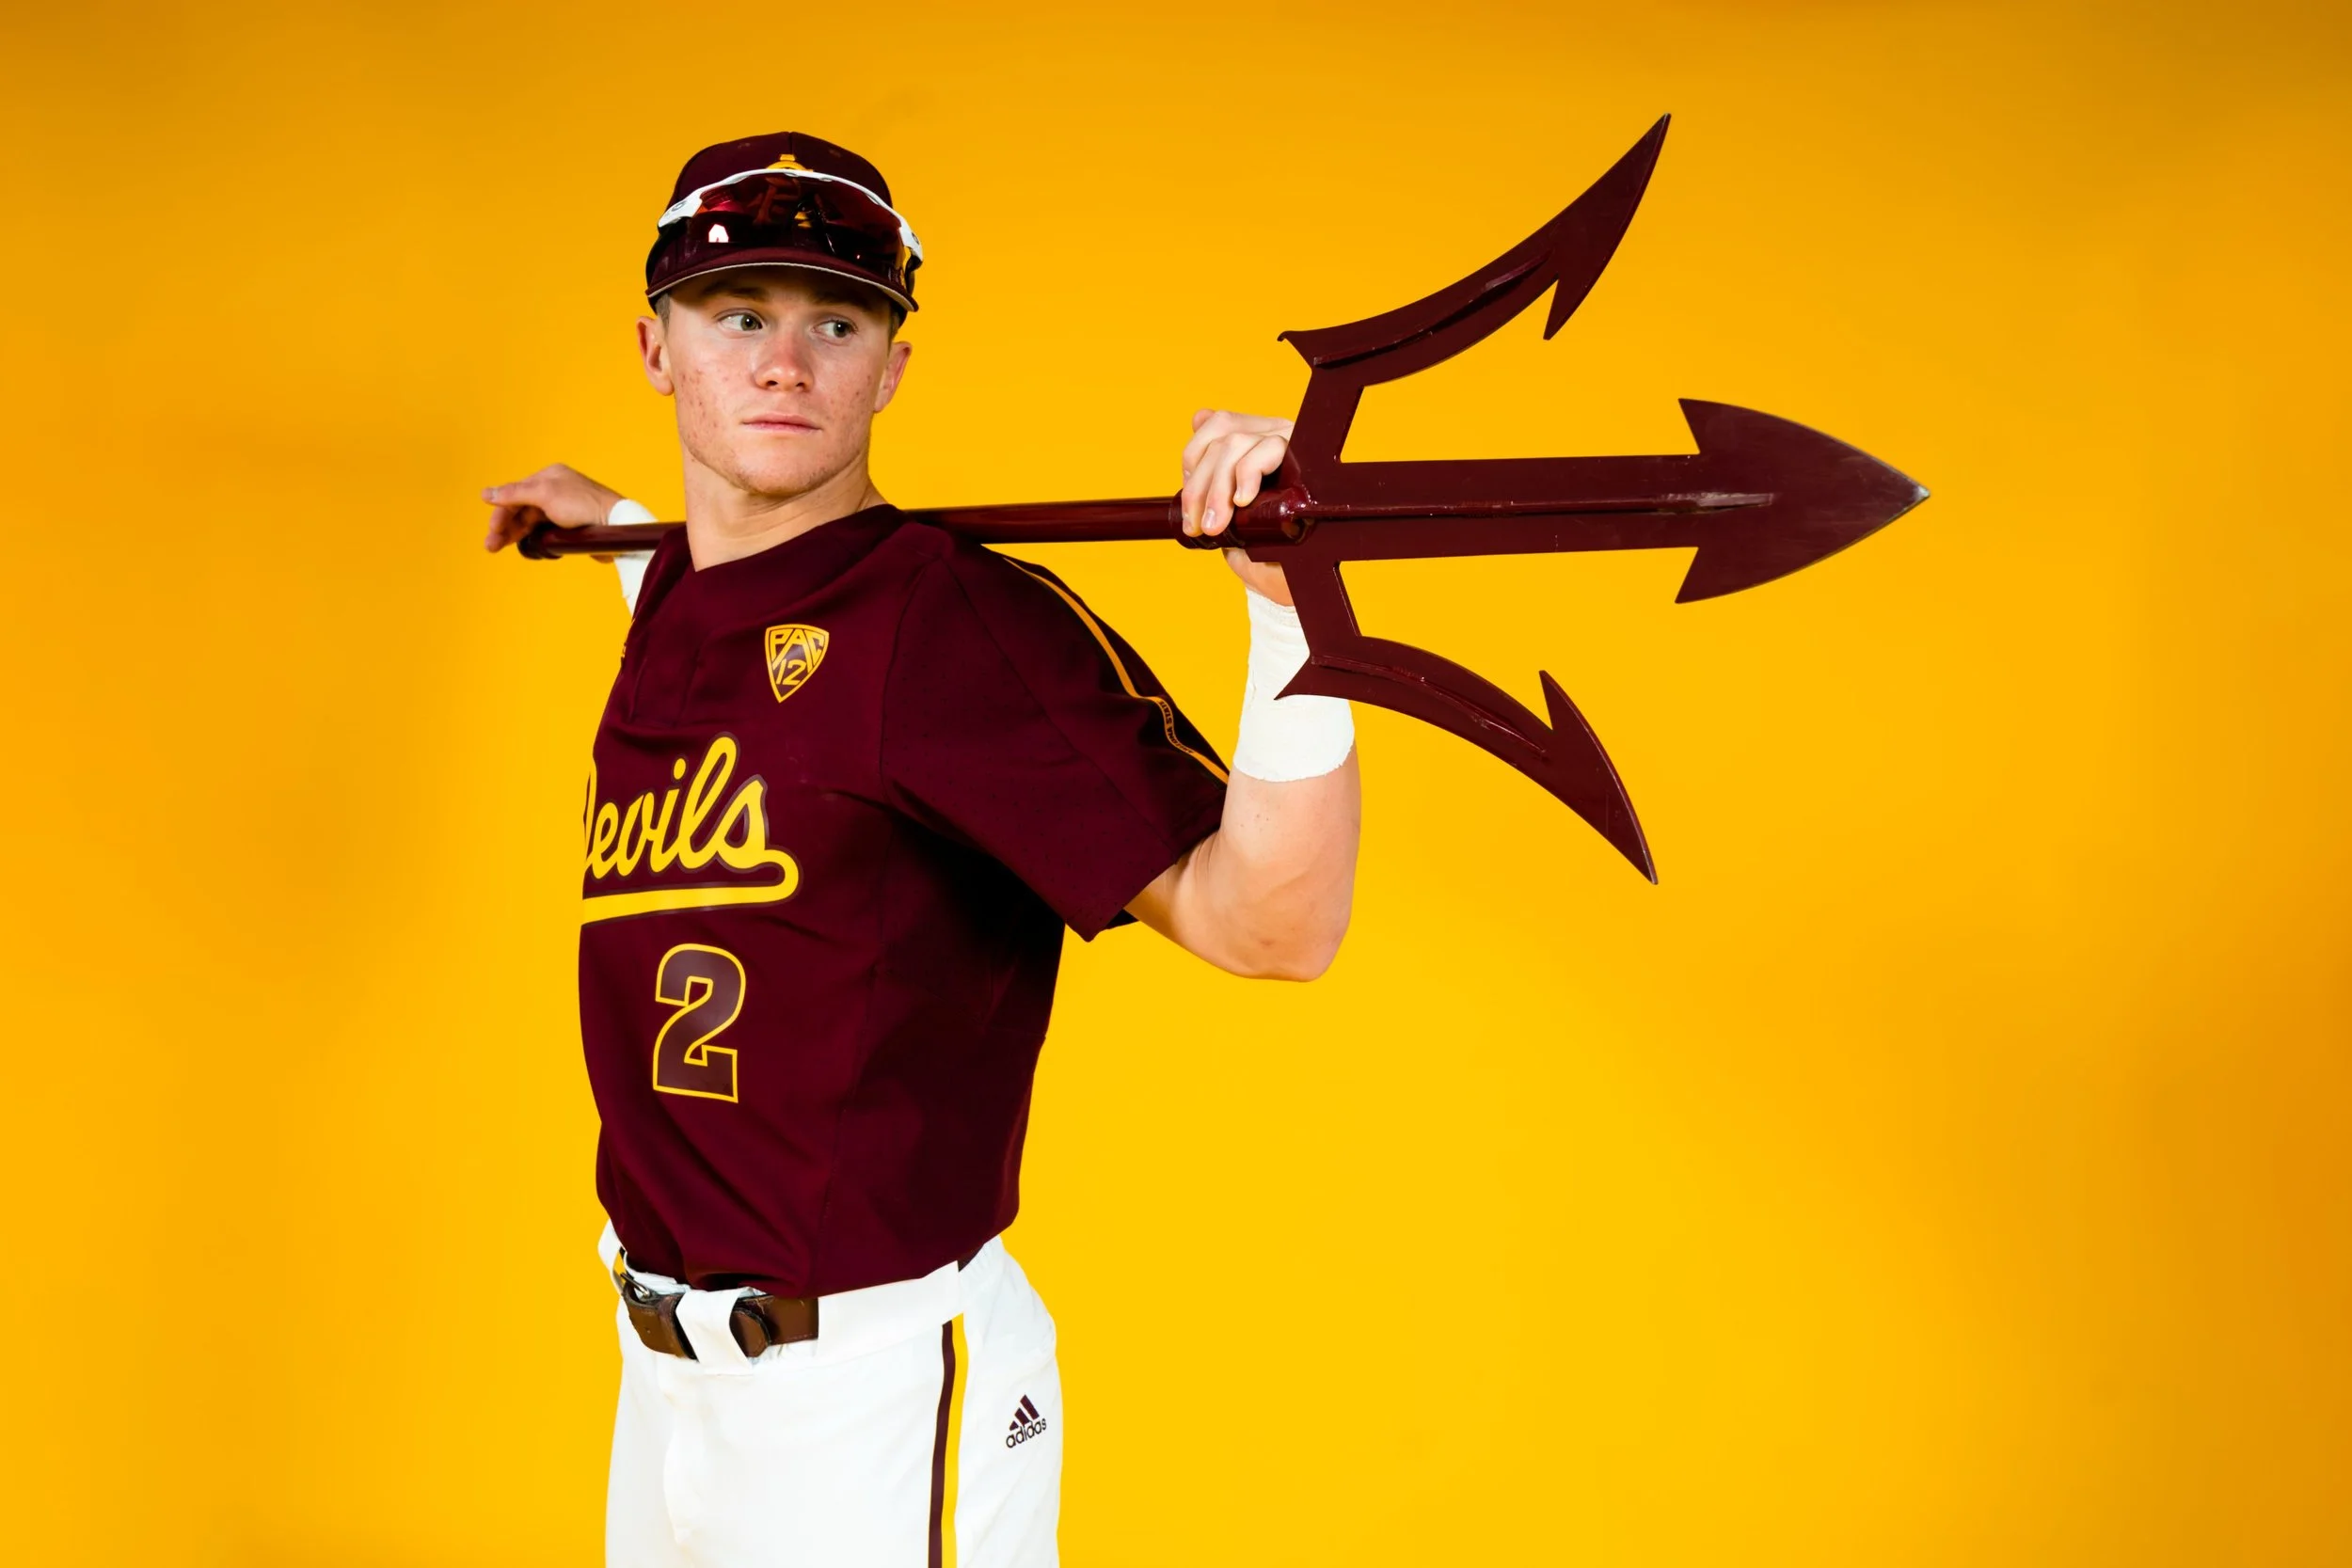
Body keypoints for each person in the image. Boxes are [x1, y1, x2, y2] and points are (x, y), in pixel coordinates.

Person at [481, 132, 1359, 1568]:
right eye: (738, 316)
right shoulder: (684, 594)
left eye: (837, 321)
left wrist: (1289, 612)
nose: (784, 364)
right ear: (656, 348)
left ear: (892, 367)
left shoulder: (954, 629)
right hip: (662, 1386)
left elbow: (1274, 922)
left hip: (869, 1395)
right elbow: (752, 620)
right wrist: (619, 533)